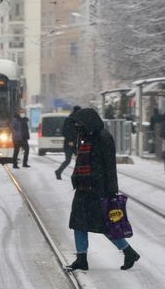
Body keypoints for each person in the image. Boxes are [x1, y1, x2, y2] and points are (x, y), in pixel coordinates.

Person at [65, 108, 140, 272]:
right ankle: (81, 259)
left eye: (79, 123)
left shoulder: (103, 138)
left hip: (98, 190)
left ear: (88, 122)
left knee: (105, 225)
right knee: (78, 224)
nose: (77, 126)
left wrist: (112, 190)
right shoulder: (88, 137)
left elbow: (110, 166)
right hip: (84, 188)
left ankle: (128, 252)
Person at [55, 105, 81, 180]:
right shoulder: (70, 119)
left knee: (79, 160)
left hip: (76, 143)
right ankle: (58, 171)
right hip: (70, 143)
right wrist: (70, 140)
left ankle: (78, 176)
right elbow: (65, 131)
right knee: (68, 160)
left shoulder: (78, 119)